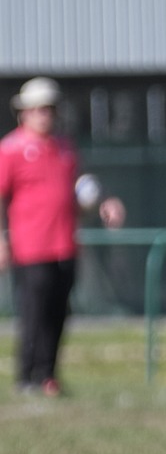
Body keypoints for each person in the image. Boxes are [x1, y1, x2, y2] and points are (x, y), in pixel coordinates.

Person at [0, 77, 125, 396]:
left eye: (50, 109)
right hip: (30, 247)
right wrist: (2, 239)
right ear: (24, 113)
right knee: (33, 313)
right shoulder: (11, 149)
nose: (46, 115)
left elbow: (82, 187)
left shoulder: (64, 148)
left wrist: (104, 200)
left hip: (64, 245)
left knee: (59, 312)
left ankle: (48, 375)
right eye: (40, 109)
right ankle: (26, 377)